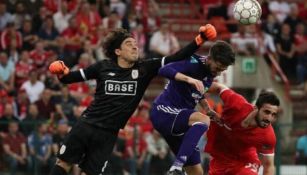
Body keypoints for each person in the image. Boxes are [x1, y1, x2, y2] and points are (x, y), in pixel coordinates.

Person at [48, 25, 217, 175]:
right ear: (118, 51)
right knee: (64, 163)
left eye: (135, 43)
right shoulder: (103, 67)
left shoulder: (145, 68)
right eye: (129, 44)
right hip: (86, 124)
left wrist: (199, 39)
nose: (135, 46)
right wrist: (61, 71)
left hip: (109, 134)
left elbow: (177, 57)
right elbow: (69, 78)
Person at [150, 40, 236, 175]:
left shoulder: (210, 75)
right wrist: (188, 79)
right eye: (218, 67)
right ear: (210, 58)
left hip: (181, 121)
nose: (219, 73)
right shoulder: (193, 62)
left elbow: (197, 93)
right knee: (203, 121)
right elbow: (163, 69)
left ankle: (178, 168)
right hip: (163, 111)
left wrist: (207, 108)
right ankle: (177, 167)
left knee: (196, 172)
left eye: (222, 70)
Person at [205, 82, 280, 175]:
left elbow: (269, 165)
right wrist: (197, 88)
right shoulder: (236, 104)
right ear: (256, 108)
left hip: (246, 160)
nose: (269, 118)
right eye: (267, 112)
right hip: (221, 159)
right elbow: (218, 87)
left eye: (273, 115)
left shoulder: (268, 136)